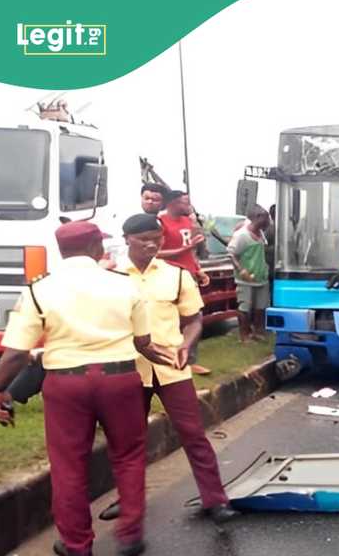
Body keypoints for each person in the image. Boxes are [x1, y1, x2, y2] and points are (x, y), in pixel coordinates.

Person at [0, 221, 175, 556]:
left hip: (65, 383)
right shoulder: (126, 285)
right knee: (129, 455)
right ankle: (130, 535)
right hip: (120, 380)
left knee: (69, 464)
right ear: (94, 248)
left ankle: (77, 544)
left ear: (62, 251)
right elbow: (143, 340)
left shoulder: (39, 289)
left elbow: (17, 352)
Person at [97, 214, 239, 524]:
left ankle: (215, 499)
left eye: (157, 238)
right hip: (128, 370)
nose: (151, 243)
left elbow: (193, 320)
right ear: (126, 239)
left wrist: (187, 345)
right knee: (128, 440)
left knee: (193, 434)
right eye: (143, 238)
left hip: (173, 369)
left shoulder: (178, 275)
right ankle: (127, 499)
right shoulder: (111, 277)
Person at [158, 190, 212, 375]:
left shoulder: (187, 221)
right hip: (169, 277)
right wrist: (184, 248)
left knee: (194, 318)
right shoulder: (161, 222)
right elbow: (156, 252)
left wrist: (198, 270)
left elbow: (191, 252)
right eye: (184, 202)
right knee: (174, 320)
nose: (187, 206)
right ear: (172, 203)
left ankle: (190, 360)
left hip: (188, 276)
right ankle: (170, 357)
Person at [228, 205, 272, 343]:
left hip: (261, 277)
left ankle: (258, 331)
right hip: (245, 279)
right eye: (265, 219)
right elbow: (231, 254)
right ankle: (244, 335)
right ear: (257, 218)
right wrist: (241, 270)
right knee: (244, 308)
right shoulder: (241, 235)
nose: (267, 222)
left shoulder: (260, 232)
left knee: (261, 307)